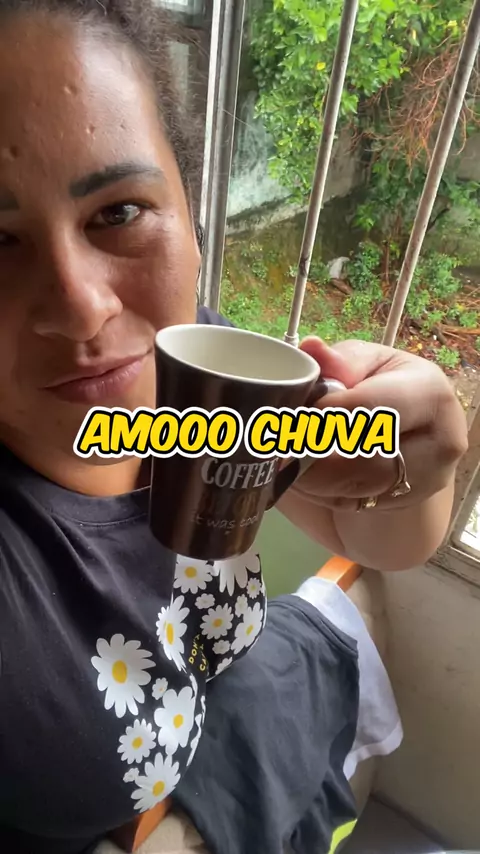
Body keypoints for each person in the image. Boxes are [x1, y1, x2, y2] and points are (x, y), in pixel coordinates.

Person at [0, 1, 468, 853]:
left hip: (231, 722)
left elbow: (378, 539)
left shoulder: (201, 382)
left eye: (118, 212)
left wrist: (416, 468)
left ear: (191, 214)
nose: (82, 307)